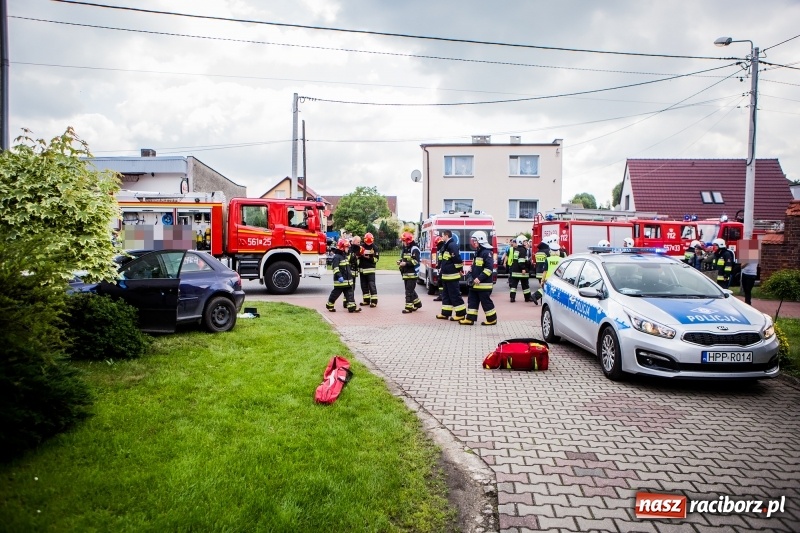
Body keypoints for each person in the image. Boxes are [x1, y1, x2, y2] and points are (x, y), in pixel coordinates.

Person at [459, 231, 497, 326]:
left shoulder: (487, 253)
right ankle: (470, 319)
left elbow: (489, 269)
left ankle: (492, 319)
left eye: (475, 241)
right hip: (475, 285)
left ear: (480, 240)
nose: (473, 243)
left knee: (486, 302)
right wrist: (470, 275)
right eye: (473, 240)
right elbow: (474, 267)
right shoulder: (477, 253)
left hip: (483, 285)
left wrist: (479, 278)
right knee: (472, 301)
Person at [435, 229, 466, 321]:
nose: (442, 237)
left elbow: (457, 259)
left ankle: (460, 314)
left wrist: (460, 269)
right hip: (446, 276)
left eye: (443, 235)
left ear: (446, 236)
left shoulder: (452, 245)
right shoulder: (446, 245)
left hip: (452, 276)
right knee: (446, 295)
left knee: (455, 295)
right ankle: (445, 313)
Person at [326, 238, 361, 313]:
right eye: (347, 247)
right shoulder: (337, 257)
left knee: (349, 294)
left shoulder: (344, 256)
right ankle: (330, 305)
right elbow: (335, 268)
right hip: (340, 281)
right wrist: (339, 276)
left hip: (347, 281)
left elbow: (347, 268)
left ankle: (352, 307)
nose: (348, 248)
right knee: (335, 294)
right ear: (342, 247)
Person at [532, 236, 565, 305]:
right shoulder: (561, 259)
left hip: (547, 277)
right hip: (556, 277)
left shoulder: (548, 259)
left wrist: (542, 280)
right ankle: (535, 296)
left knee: (546, 288)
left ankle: (537, 297)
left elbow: (545, 271)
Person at [398, 231, 422, 314]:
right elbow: (405, 259)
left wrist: (405, 263)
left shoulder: (414, 249)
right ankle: (417, 303)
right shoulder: (405, 248)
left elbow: (416, 261)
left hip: (412, 273)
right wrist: (400, 261)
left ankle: (408, 307)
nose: (403, 242)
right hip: (406, 273)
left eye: (404, 241)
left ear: (408, 241)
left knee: (408, 291)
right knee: (410, 290)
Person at [507, 235, 532, 302]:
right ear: (521, 242)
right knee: (525, 286)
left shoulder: (517, 250)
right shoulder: (523, 250)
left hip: (515, 271)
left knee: (513, 286)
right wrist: (523, 268)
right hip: (521, 272)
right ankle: (527, 298)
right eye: (525, 241)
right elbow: (521, 261)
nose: (526, 242)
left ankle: (512, 298)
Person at [359, 232, 380, 307]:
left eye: (369, 242)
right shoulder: (361, 247)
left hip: (370, 270)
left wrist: (370, 258)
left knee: (371, 285)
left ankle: (374, 301)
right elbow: (358, 255)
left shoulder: (375, 248)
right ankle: (366, 300)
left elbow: (376, 259)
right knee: (363, 286)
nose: (368, 243)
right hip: (362, 270)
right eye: (367, 242)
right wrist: (360, 255)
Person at [432, 235, 445, 301]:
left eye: (437, 244)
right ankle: (441, 295)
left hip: (444, 268)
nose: (437, 246)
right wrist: (438, 265)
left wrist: (439, 265)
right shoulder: (442, 249)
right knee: (440, 281)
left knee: (441, 281)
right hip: (443, 268)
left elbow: (442, 259)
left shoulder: (443, 249)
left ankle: (442, 296)